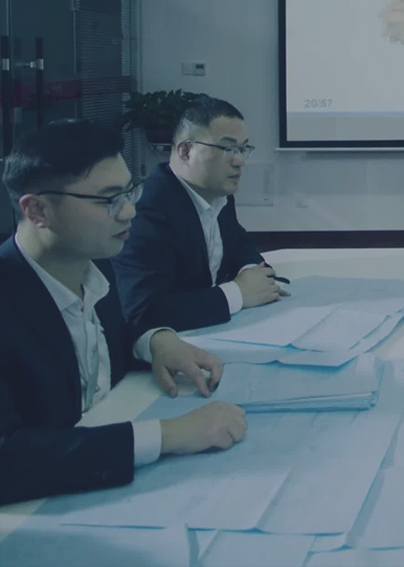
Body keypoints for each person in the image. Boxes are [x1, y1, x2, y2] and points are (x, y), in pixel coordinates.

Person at [0, 120, 247, 505]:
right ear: (37, 210)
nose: (130, 211)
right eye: (108, 199)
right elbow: (9, 459)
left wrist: (155, 341)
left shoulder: (96, 264)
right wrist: (168, 435)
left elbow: (114, 332)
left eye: (130, 192)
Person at [113, 96, 289, 334]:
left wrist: (251, 271)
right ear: (185, 151)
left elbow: (238, 242)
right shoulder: (147, 213)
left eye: (242, 149)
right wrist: (238, 293)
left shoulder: (216, 192)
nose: (239, 161)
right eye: (227, 149)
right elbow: (143, 311)